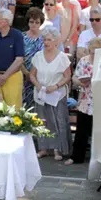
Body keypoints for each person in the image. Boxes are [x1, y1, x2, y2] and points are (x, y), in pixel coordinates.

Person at [30, 26, 71, 161]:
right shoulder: (38, 55)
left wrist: (56, 86)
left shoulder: (62, 57)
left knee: (57, 121)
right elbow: (32, 75)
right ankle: (42, 148)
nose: (46, 42)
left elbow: (67, 77)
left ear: (56, 42)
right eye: (44, 39)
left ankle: (57, 149)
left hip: (57, 94)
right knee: (42, 121)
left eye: (49, 40)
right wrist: (38, 86)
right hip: (41, 93)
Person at [67, 37, 101, 165]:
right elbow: (75, 77)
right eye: (92, 52)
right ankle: (77, 157)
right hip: (85, 99)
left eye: (97, 52)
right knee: (81, 130)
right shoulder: (84, 61)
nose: (94, 55)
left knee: (100, 131)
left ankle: (100, 159)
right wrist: (81, 81)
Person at [21, 8, 44, 105]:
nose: (34, 24)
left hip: (40, 76)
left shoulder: (45, 37)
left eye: (37, 22)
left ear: (40, 23)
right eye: (31, 22)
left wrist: (35, 75)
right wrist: (26, 73)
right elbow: (18, 57)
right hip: (24, 74)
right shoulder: (21, 37)